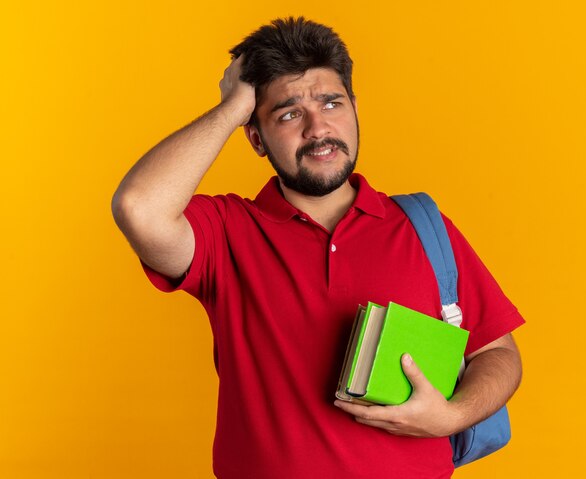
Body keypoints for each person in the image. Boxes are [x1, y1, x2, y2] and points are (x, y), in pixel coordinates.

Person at [112, 16, 524, 479]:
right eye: (288, 114)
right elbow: (138, 208)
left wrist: (452, 416)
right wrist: (233, 107)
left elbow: (498, 352)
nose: (317, 127)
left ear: (354, 107)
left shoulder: (423, 226)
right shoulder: (226, 232)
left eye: (332, 103)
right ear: (256, 138)